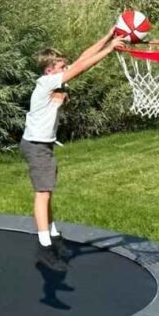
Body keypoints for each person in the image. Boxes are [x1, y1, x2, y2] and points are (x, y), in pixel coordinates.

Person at [21, 28, 123, 270]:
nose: (65, 69)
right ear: (49, 70)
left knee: (47, 193)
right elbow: (82, 67)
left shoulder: (51, 79)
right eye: (61, 66)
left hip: (40, 145)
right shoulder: (47, 82)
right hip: (36, 146)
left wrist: (109, 34)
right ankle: (44, 249)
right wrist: (110, 49)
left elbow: (83, 57)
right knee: (42, 194)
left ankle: (53, 238)